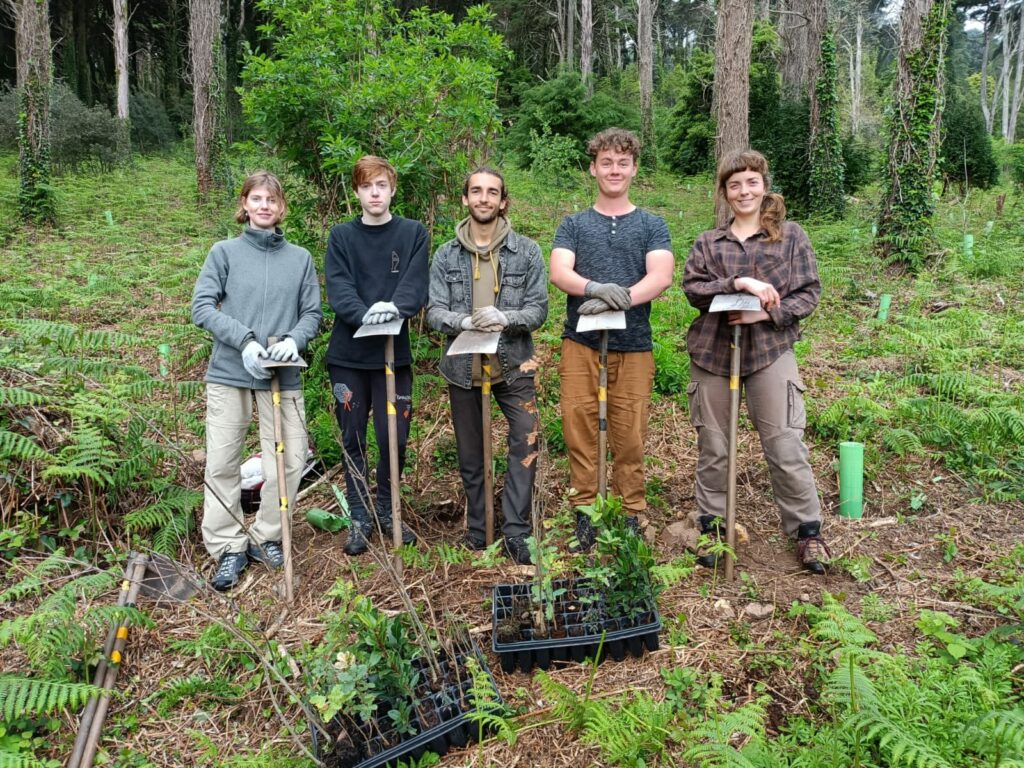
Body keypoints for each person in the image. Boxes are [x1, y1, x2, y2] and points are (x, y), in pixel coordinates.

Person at [682, 148, 829, 574]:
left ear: (763, 186)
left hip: (770, 352)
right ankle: (712, 528)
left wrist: (765, 312)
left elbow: (809, 293)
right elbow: (693, 288)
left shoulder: (791, 236)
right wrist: (738, 282)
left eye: (751, 182)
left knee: (785, 443)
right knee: (714, 444)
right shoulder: (710, 242)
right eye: (734, 184)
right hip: (713, 354)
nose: (743, 191)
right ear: (724, 192)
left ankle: (807, 531)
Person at [191, 171, 322, 591]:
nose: (265, 206)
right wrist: (244, 341)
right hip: (231, 372)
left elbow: (312, 314)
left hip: (283, 376)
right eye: (257, 199)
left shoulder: (299, 258)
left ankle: (266, 536)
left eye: (272, 200)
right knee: (223, 462)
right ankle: (228, 546)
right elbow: (202, 307)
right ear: (245, 204)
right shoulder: (223, 252)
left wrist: (294, 340)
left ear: (281, 208)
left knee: (289, 459)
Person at [549, 128, 674, 548]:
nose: (614, 169)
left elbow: (661, 275)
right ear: (593, 168)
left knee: (630, 431)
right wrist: (593, 290)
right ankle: (585, 509)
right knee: (578, 426)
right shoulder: (574, 224)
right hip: (580, 343)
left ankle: (630, 511)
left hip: (634, 344)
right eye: (607, 162)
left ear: (634, 168)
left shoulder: (651, 224)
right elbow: (560, 271)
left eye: (623, 162)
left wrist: (620, 300)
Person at [426, 168, 548, 564]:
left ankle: (516, 530)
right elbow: (435, 311)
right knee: (470, 453)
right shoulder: (446, 254)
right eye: (476, 191)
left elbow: (538, 309)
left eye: (492, 192)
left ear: (503, 201)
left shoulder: (526, 251)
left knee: (525, 440)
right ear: (465, 199)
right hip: (463, 368)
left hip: (514, 366)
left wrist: (505, 317)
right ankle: (479, 529)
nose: (484, 199)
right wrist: (461, 321)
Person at [325, 156, 429, 556]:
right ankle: (359, 514)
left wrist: (395, 307)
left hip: (393, 358)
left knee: (394, 438)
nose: (374, 193)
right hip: (349, 356)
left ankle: (388, 508)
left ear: (392, 190)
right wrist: (362, 313)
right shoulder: (341, 237)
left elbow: (415, 282)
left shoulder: (412, 233)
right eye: (367, 186)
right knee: (352, 438)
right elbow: (338, 286)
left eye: (381, 185)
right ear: (356, 192)